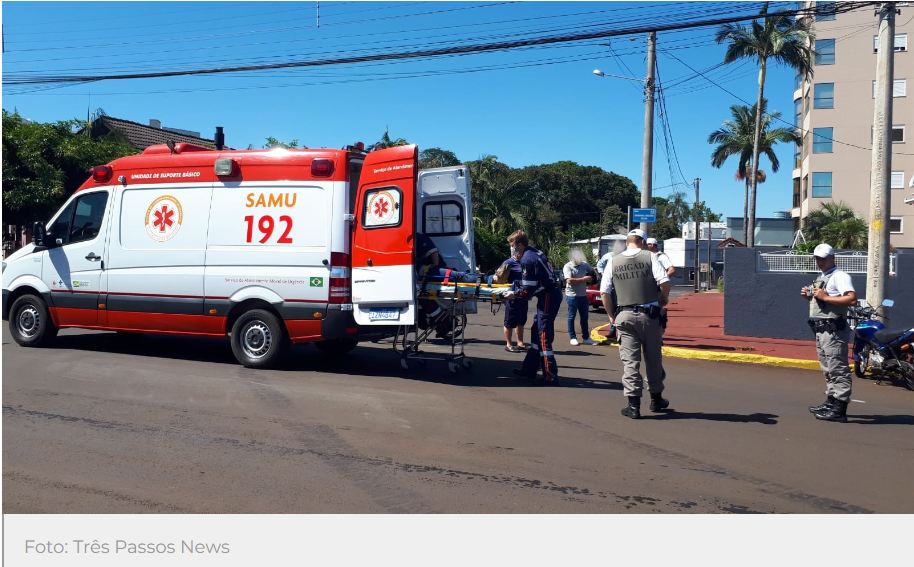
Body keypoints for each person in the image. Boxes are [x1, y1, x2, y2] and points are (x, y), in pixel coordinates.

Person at [606, 229, 672, 419]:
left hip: (624, 316)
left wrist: (611, 316)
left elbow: (605, 292)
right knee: (653, 359)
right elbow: (664, 281)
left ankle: (633, 405)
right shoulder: (650, 257)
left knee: (630, 362)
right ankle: (656, 399)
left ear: (628, 242)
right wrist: (663, 297)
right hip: (649, 317)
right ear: (643, 242)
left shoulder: (613, 260)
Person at [801, 243, 857, 423]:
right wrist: (809, 295)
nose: (820, 262)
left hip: (833, 331)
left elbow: (851, 299)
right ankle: (831, 401)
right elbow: (823, 300)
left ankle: (840, 408)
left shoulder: (840, 276)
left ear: (833, 257)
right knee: (828, 368)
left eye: (823, 258)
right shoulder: (823, 276)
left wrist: (825, 297)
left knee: (838, 369)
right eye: (817, 258)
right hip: (822, 330)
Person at [504, 230, 562, 386]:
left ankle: (550, 376)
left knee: (543, 336)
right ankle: (529, 369)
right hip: (549, 294)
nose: (512, 249)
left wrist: (513, 294)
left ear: (520, 245)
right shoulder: (535, 253)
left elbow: (526, 290)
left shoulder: (527, 261)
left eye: (513, 246)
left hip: (548, 296)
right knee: (537, 331)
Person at [563, 248, 598, 346]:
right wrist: (584, 279)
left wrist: (593, 276)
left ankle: (586, 338)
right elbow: (569, 280)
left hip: (583, 295)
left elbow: (592, 270)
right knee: (571, 317)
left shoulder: (584, 264)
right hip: (572, 296)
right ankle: (572, 337)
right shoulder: (568, 266)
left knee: (584, 317)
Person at [499, 251, 529, 352]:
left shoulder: (525, 263)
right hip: (512, 296)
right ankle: (509, 344)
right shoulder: (508, 262)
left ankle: (520, 343)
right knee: (509, 320)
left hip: (523, 295)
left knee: (521, 320)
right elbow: (499, 277)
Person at [646, 237, 675, 336]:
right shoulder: (646, 256)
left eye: (647, 244)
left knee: (657, 310)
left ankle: (659, 332)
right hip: (648, 288)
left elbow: (671, 270)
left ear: (652, 245)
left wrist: (660, 281)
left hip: (657, 289)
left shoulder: (661, 256)